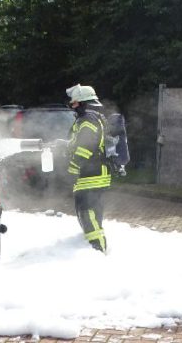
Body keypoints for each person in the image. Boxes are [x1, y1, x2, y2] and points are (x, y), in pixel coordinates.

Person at [65, 84, 111, 252]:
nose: (72, 106)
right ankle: (95, 248)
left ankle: (99, 249)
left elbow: (85, 146)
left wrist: (73, 167)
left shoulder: (88, 120)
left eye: (75, 103)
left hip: (91, 174)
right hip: (94, 172)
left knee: (87, 212)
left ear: (84, 102)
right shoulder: (92, 118)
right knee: (90, 212)